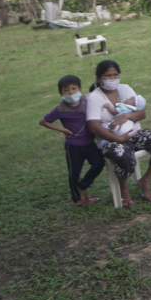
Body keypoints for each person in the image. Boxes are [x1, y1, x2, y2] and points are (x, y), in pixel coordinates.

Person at [85, 60, 151, 205]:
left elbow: (141, 114)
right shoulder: (94, 97)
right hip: (111, 139)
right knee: (123, 155)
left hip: (134, 134)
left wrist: (126, 115)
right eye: (108, 76)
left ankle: (145, 181)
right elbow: (93, 127)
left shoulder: (125, 89)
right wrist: (119, 139)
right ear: (99, 78)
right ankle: (124, 187)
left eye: (115, 75)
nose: (112, 79)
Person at [41, 75, 104, 206]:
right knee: (74, 171)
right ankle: (78, 199)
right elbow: (44, 121)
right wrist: (62, 130)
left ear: (80, 89)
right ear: (61, 93)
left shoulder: (87, 101)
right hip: (73, 145)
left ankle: (82, 186)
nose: (70, 93)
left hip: (89, 142)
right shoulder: (61, 109)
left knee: (99, 162)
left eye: (73, 89)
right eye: (66, 90)